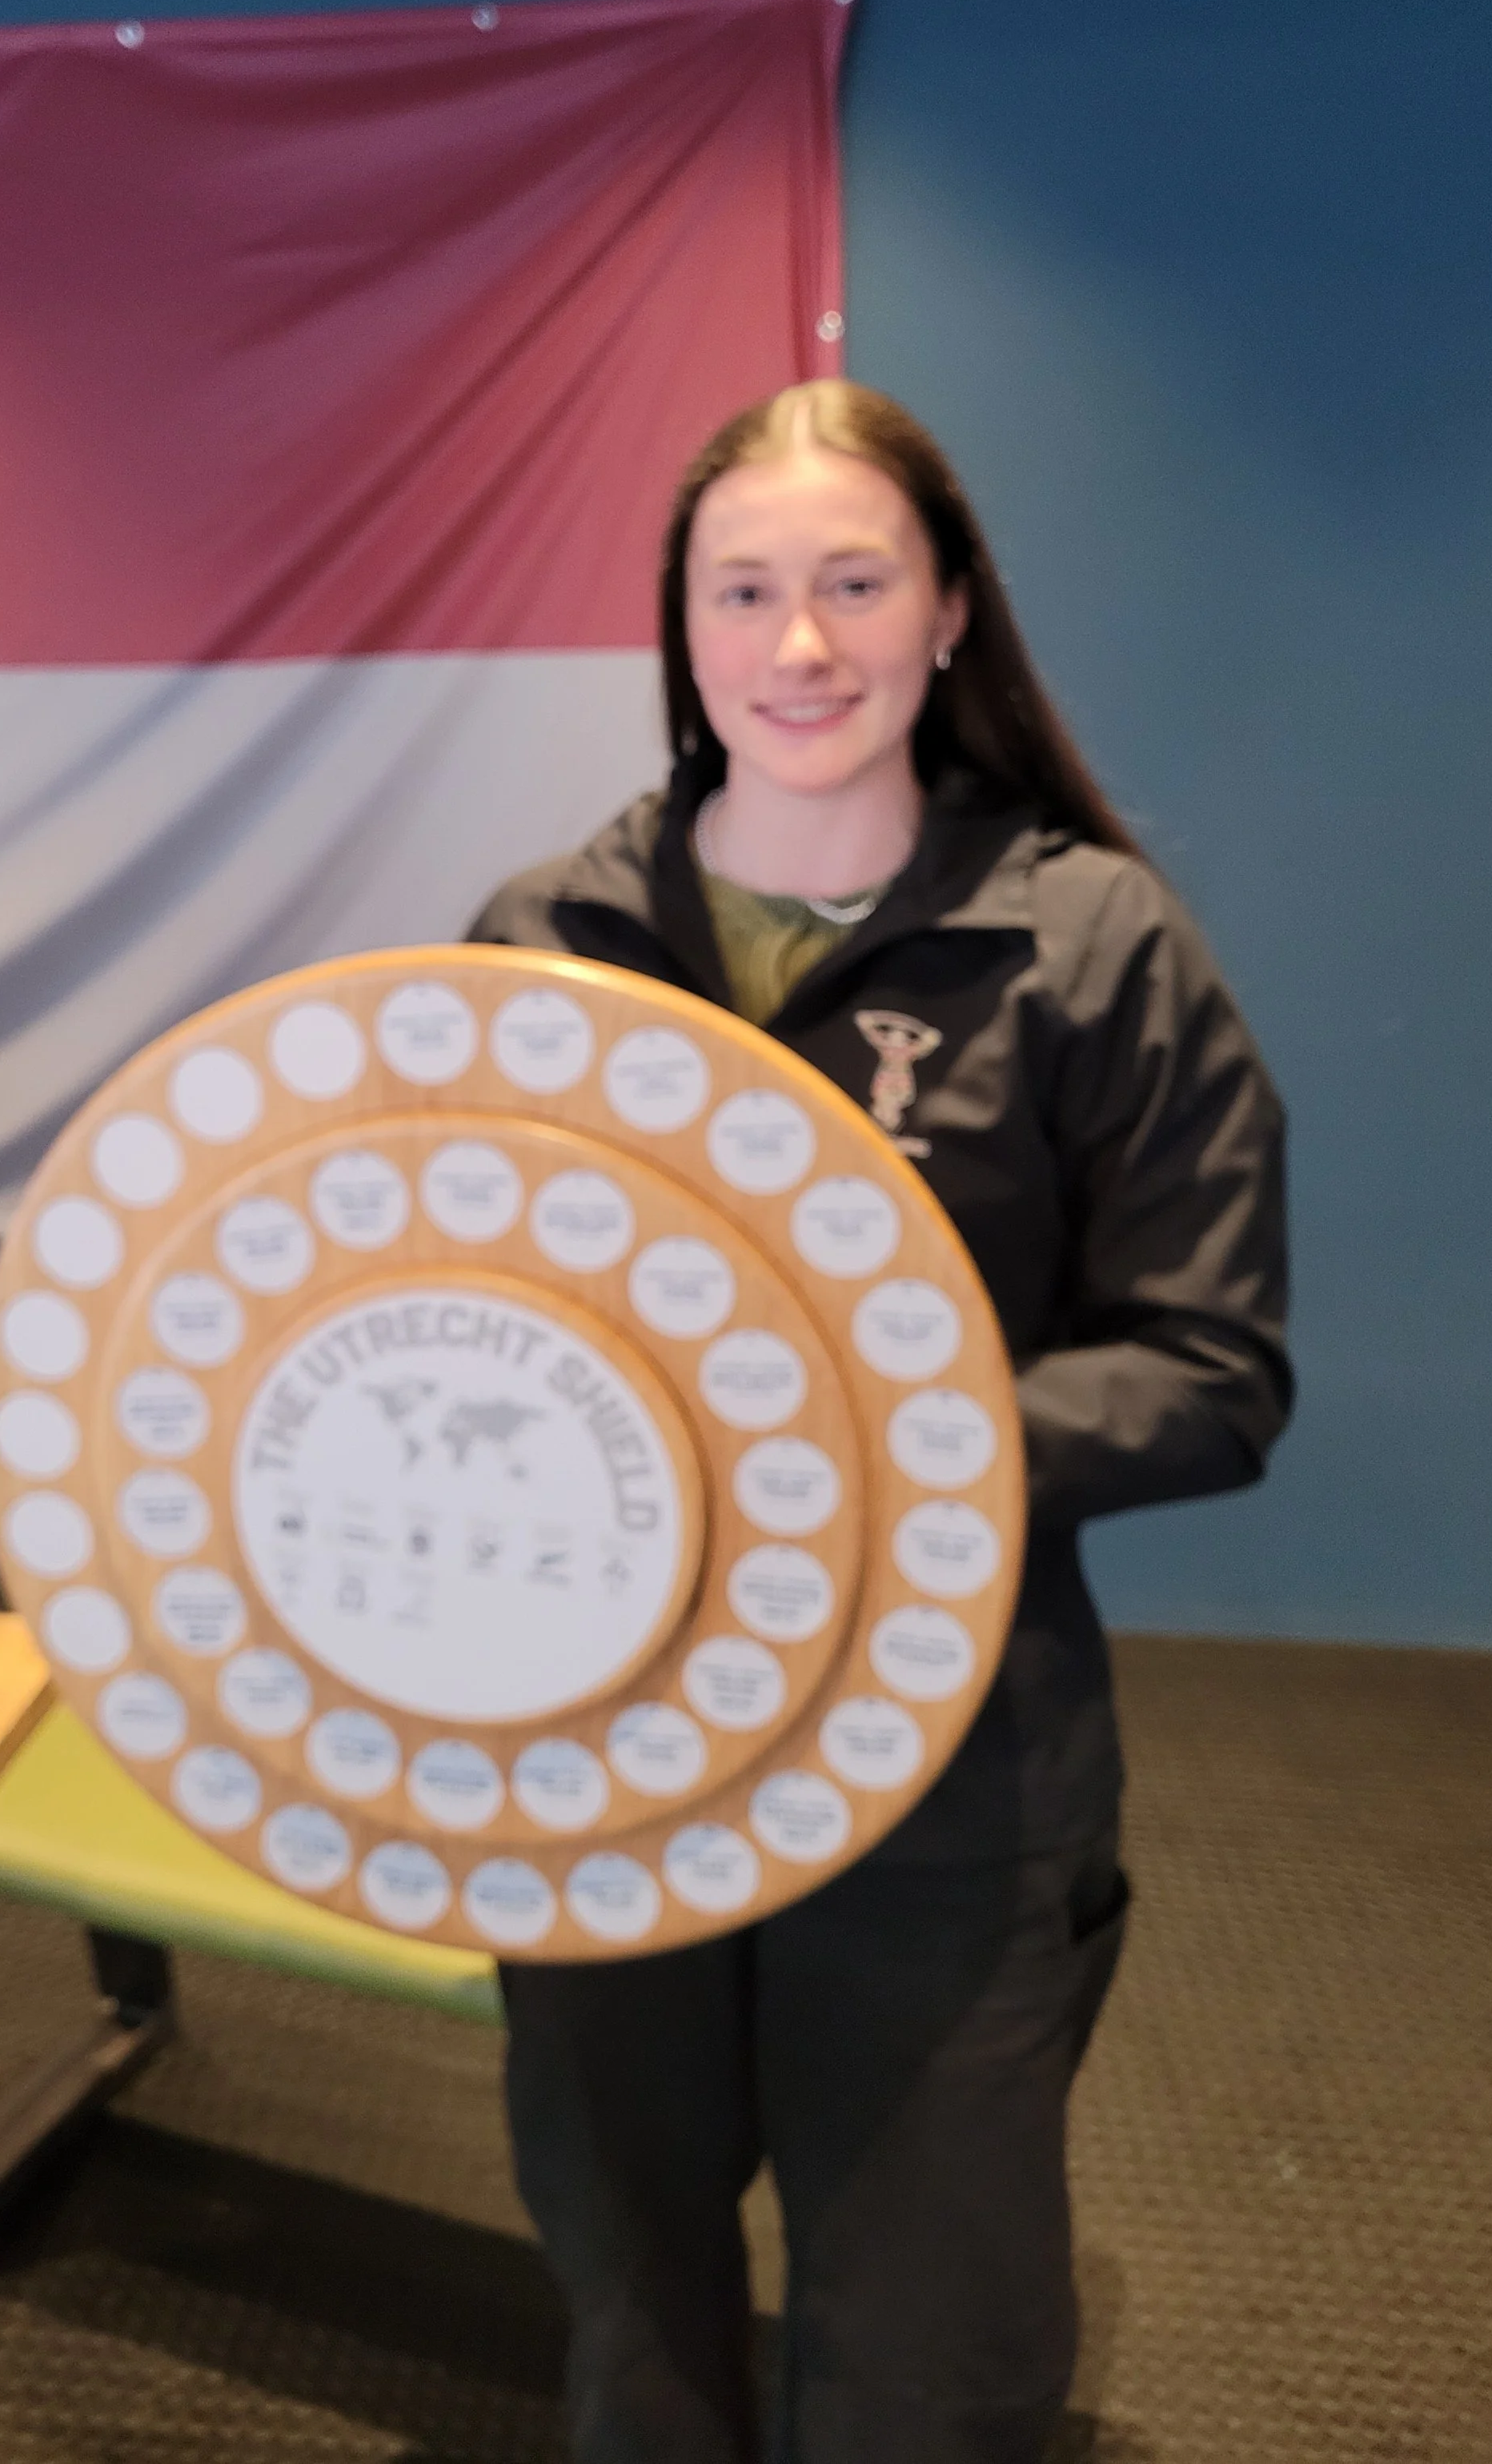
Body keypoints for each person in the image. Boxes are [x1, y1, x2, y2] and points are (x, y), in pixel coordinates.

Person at [469, 378, 1291, 2464]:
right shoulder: (544, 947)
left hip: (942, 1754)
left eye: (853, 583)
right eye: (741, 590)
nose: (797, 641)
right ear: (682, 628)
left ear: (946, 614)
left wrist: (876, 1451)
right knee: (630, 2316)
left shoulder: (1088, 946)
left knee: (930, 2353)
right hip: (606, 1750)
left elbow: (1209, 1366)